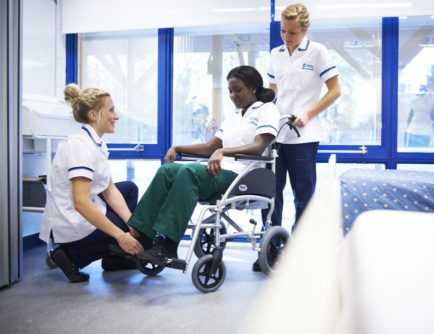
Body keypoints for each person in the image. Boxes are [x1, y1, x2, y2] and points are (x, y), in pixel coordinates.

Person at [126, 65, 279, 263]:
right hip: (220, 171)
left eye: (237, 89)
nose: (232, 95)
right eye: (230, 91)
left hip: (244, 175)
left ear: (254, 89)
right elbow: (210, 147)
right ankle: (143, 238)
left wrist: (222, 151)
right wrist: (177, 148)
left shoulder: (268, 109)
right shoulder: (234, 116)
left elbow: (259, 146)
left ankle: (168, 245)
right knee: (168, 171)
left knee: (189, 172)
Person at [39, 84, 148, 283]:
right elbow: (81, 202)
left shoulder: (95, 142)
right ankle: (71, 256)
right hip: (71, 219)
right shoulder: (79, 146)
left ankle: (113, 257)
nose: (116, 116)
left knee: (129, 190)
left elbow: (110, 189)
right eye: (111, 110)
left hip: (83, 208)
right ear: (93, 115)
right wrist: (122, 235)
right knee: (122, 232)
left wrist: (133, 224)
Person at [263, 3, 341, 233]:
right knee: (271, 193)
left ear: (305, 30)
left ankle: (299, 251)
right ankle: (271, 247)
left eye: (293, 32)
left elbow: (335, 91)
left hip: (304, 136)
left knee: (303, 195)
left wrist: (308, 113)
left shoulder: (317, 51)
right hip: (277, 134)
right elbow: (273, 92)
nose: (286, 37)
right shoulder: (275, 54)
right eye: (283, 31)